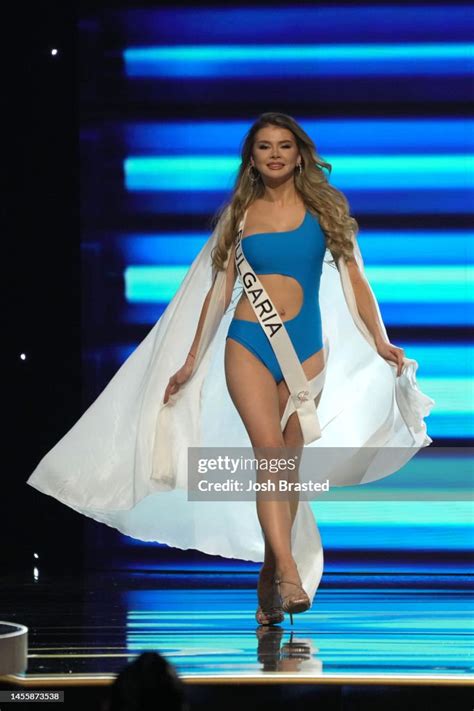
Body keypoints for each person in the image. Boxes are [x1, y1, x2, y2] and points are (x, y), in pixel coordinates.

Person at [26, 112, 435, 627]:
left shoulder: (325, 208)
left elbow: (356, 283)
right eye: (264, 147)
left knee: (287, 468)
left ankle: (269, 584)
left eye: (284, 145)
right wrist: (192, 359)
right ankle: (288, 571)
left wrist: (381, 339)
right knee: (269, 456)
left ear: (299, 153)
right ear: (252, 158)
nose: (275, 154)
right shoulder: (240, 216)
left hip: (308, 350)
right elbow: (219, 292)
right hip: (248, 342)